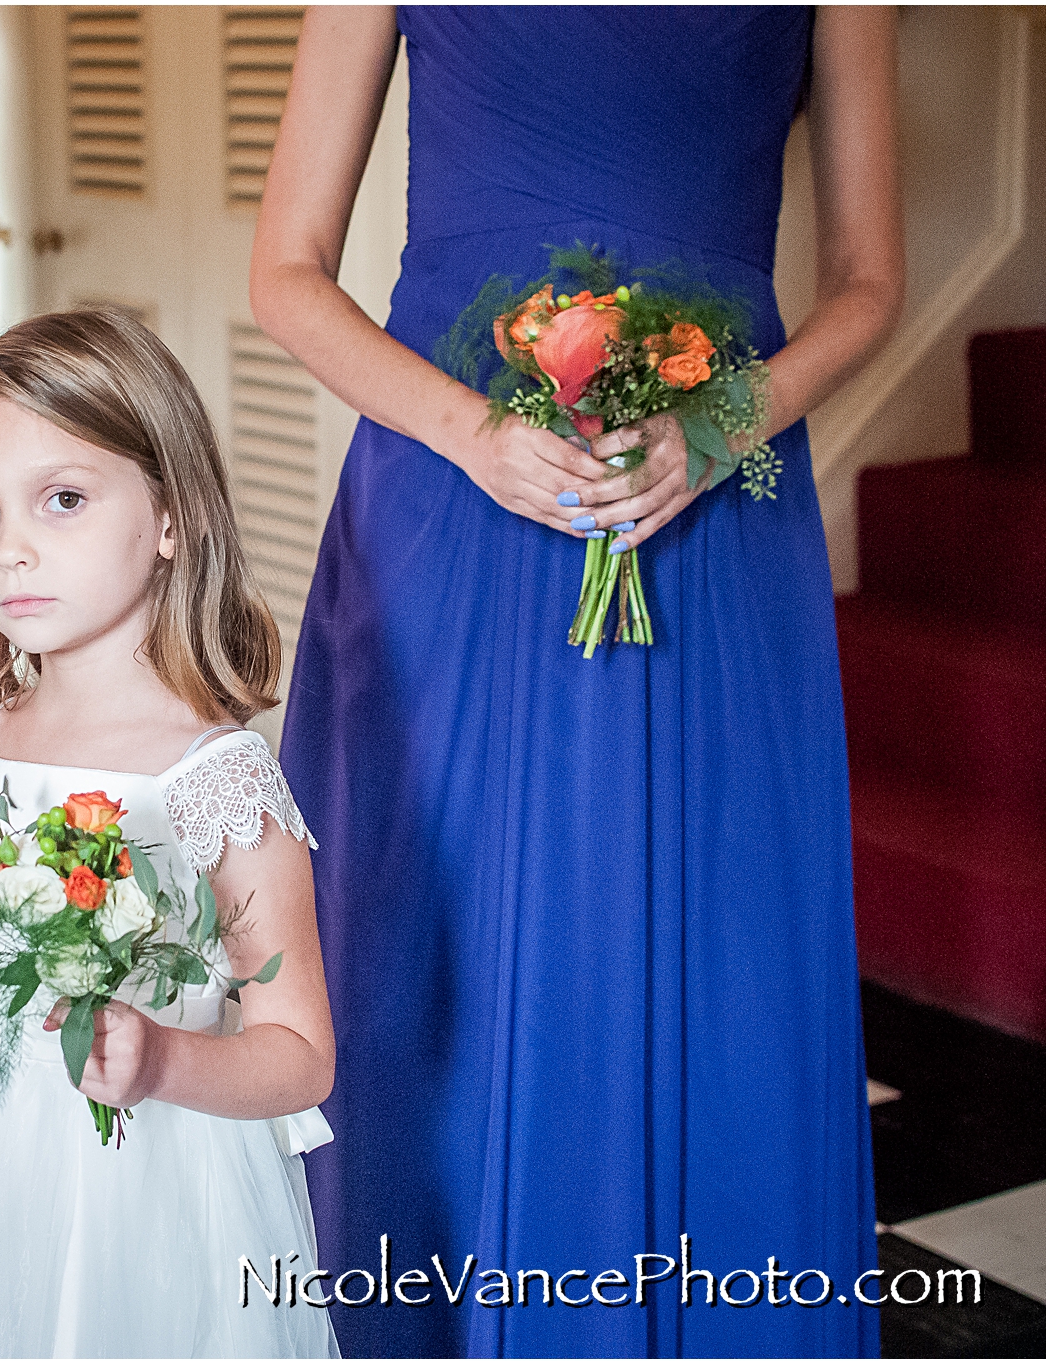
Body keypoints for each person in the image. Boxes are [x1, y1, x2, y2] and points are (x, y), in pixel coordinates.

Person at [248, 8, 903, 1357]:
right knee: (440, 944)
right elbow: (288, 271)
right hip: (454, 499)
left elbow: (869, 281)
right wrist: (476, 432)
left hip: (710, 508)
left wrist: (717, 432)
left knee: (711, 938)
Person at [0, 309, 341, 1357]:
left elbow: (298, 1054)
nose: (9, 545)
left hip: (146, 1190)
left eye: (61, 499)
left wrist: (161, 1059)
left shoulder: (212, 776)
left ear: (167, 515)